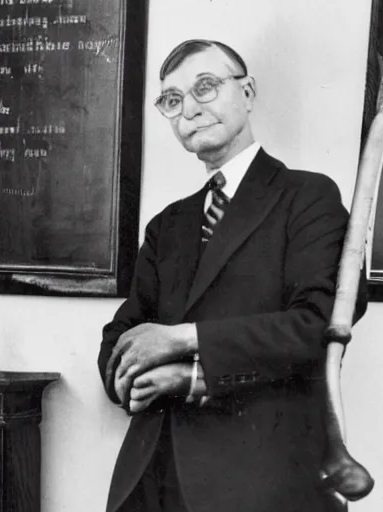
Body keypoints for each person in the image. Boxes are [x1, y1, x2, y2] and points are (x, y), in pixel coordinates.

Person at [97, 39, 368, 512]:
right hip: (152, 481)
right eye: (173, 99)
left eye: (206, 87)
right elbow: (121, 338)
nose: (190, 110)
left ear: (247, 92)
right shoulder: (168, 224)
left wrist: (188, 359)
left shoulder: (306, 197)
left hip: (262, 483)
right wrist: (130, 379)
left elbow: (315, 327)